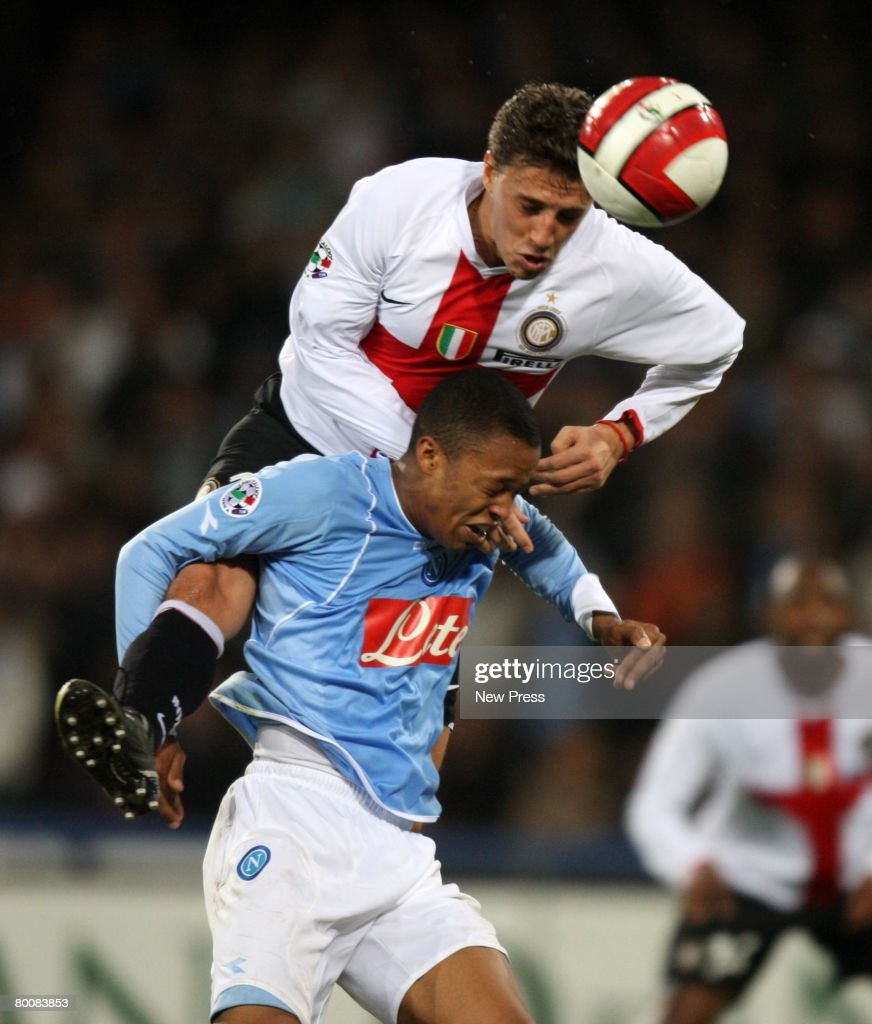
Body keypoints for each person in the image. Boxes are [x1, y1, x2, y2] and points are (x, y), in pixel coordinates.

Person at [90, 81, 740, 799]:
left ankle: (408, 847)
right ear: (488, 172)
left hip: (441, 495)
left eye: (566, 216)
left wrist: (622, 433)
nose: (543, 235)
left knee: (426, 712)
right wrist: (435, 464)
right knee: (212, 577)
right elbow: (321, 340)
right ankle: (145, 734)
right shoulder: (396, 204)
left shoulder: (611, 265)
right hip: (308, 435)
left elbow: (718, 340)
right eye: (529, 207)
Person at [56, 369, 664, 1024]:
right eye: (497, 490)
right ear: (429, 455)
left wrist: (601, 619)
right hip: (293, 821)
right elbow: (148, 553)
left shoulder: (486, 513)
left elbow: (543, 545)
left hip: (397, 855)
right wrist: (148, 723)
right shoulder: (326, 492)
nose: (507, 511)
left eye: (517, 491)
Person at [625, 555, 872, 1024]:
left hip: (857, 881)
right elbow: (655, 802)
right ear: (769, 616)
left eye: (829, 603)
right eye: (798, 603)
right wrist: (692, 865)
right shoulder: (721, 691)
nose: (815, 616)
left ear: (851, 614)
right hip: (748, 882)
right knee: (685, 1015)